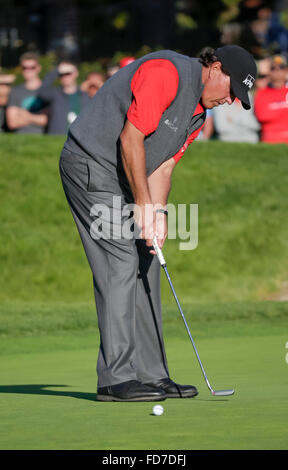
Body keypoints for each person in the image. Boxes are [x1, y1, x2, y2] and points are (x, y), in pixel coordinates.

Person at [59, 45, 256, 402]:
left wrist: (158, 214)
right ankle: (115, 378)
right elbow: (130, 138)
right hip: (90, 164)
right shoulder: (166, 72)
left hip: (126, 172)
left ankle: (151, 375)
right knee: (120, 258)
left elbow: (162, 166)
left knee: (147, 258)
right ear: (214, 68)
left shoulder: (198, 116)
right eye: (232, 91)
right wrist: (143, 205)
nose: (230, 101)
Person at [37, 61, 90, 135]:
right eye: (61, 74)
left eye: (68, 73)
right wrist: (56, 71)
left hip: (78, 140)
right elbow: (41, 93)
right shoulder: (55, 94)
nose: (65, 77)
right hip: (56, 139)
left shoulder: (85, 95)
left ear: (76, 73)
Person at [6, 52, 48, 134]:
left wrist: (26, 115)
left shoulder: (48, 91)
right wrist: (38, 119)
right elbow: (12, 122)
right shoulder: (15, 91)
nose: (28, 70)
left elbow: (50, 121)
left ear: (38, 68)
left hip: (44, 140)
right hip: (20, 140)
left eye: (32, 67)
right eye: (25, 67)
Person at [254, 55, 288, 143]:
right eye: (273, 68)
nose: (277, 70)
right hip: (270, 139)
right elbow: (262, 116)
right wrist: (283, 108)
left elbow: (269, 113)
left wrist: (274, 107)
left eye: (281, 67)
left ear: (286, 70)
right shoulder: (262, 93)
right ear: (269, 72)